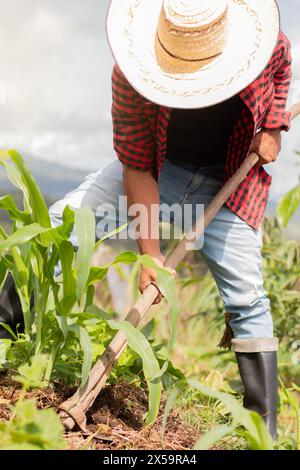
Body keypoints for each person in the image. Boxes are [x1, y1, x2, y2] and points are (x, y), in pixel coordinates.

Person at [0, 0, 292, 439]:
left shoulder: (266, 48)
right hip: (160, 169)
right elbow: (137, 165)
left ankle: (263, 432)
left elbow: (282, 73)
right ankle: (11, 351)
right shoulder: (132, 75)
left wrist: (271, 128)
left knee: (249, 299)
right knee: (63, 224)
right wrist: (150, 255)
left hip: (230, 179)